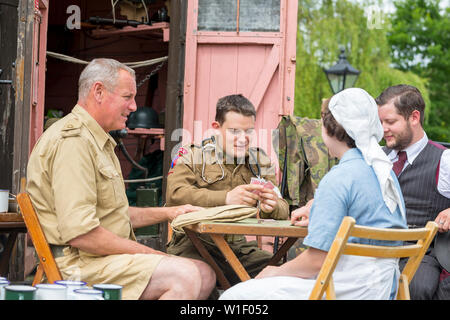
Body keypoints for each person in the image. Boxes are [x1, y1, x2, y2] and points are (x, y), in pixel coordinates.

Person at [26, 58, 216, 300]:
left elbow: (112, 214)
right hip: (77, 266)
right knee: (185, 275)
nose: (134, 106)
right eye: (128, 97)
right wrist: (153, 255)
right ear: (98, 91)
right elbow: (82, 234)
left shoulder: (98, 141)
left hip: (101, 261)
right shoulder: (73, 142)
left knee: (205, 274)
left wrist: (170, 213)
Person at [219, 88, 407, 300]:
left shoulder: (339, 177)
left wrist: (275, 271)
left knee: (234, 297)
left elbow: (316, 260)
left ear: (327, 129)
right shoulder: (385, 173)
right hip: (384, 291)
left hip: (344, 290)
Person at [165, 94, 290, 285]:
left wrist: (271, 206)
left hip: (236, 248)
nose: (243, 138)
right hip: (194, 245)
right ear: (216, 128)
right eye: (234, 131)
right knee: (198, 281)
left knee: (282, 274)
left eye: (249, 131)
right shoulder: (193, 156)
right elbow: (175, 196)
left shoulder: (260, 162)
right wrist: (226, 198)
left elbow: (282, 207)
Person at [376, 84, 450, 300]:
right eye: (380, 122)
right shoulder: (376, 157)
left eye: (390, 122)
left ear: (414, 118)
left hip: (420, 252)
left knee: (416, 286)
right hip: (372, 247)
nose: (383, 129)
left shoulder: (444, 160)